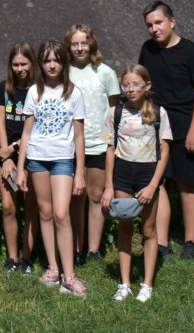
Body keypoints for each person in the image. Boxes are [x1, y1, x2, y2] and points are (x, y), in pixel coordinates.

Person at [139, 0, 194, 260]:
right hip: (159, 126)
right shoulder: (147, 50)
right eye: (149, 25)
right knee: (158, 182)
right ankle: (161, 244)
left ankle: (191, 243)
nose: (154, 29)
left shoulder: (192, 52)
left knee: (187, 183)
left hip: (187, 124)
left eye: (158, 22)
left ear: (172, 21)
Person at [16, 40, 87, 297]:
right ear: (41, 64)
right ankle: (53, 268)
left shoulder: (74, 93)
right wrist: (21, 168)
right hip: (37, 159)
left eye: (56, 59)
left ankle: (69, 276)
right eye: (47, 60)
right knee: (44, 213)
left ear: (63, 62)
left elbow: (79, 136)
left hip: (63, 160)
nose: (52, 64)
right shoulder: (35, 92)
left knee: (61, 213)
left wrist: (80, 171)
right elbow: (26, 133)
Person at [102, 65, 172, 303]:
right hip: (123, 173)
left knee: (149, 229)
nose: (130, 89)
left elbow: (164, 152)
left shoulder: (158, 112)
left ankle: (148, 284)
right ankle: (124, 284)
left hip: (147, 174)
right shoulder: (115, 112)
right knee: (125, 226)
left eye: (136, 84)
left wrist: (153, 185)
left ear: (147, 86)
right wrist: (109, 186)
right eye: (126, 85)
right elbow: (110, 149)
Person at [64, 24, 120, 265]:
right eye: (74, 43)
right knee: (76, 197)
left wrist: (111, 139)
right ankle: (77, 248)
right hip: (71, 143)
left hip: (99, 142)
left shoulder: (104, 72)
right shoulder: (63, 72)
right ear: (68, 46)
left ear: (91, 44)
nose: (79, 48)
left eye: (83, 43)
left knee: (96, 195)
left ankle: (94, 249)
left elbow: (114, 106)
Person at [0, 42, 39, 274]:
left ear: (32, 64)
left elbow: (37, 128)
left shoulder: (39, 91)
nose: (20, 69)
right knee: (9, 207)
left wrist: (11, 149)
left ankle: (27, 258)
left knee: (31, 207)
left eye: (24, 64)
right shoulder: (5, 88)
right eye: (15, 64)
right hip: (8, 159)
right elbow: (0, 123)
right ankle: (11, 258)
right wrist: (6, 157)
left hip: (32, 157)